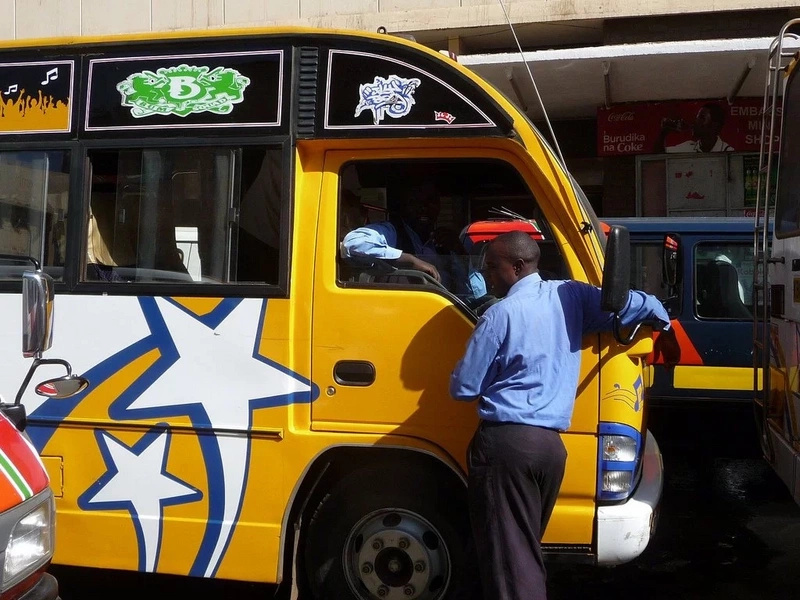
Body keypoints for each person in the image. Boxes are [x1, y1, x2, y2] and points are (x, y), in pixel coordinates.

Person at [449, 231, 680, 600]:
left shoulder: (499, 315)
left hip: (506, 447)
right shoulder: (572, 295)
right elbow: (636, 303)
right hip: (551, 451)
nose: (487, 275)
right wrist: (664, 324)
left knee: (513, 562)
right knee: (506, 549)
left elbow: (463, 387)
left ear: (518, 266)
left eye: (492, 266)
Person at [341, 183, 484, 300]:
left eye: (430, 201)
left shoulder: (444, 242)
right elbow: (352, 243)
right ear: (404, 206)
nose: (424, 207)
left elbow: (476, 293)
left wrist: (459, 252)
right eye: (415, 201)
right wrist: (409, 260)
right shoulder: (392, 231)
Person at [653, 102, 734, 153]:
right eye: (697, 118)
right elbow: (659, 156)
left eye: (702, 118)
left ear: (715, 126)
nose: (696, 122)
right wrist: (664, 132)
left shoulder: (728, 151)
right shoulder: (689, 147)